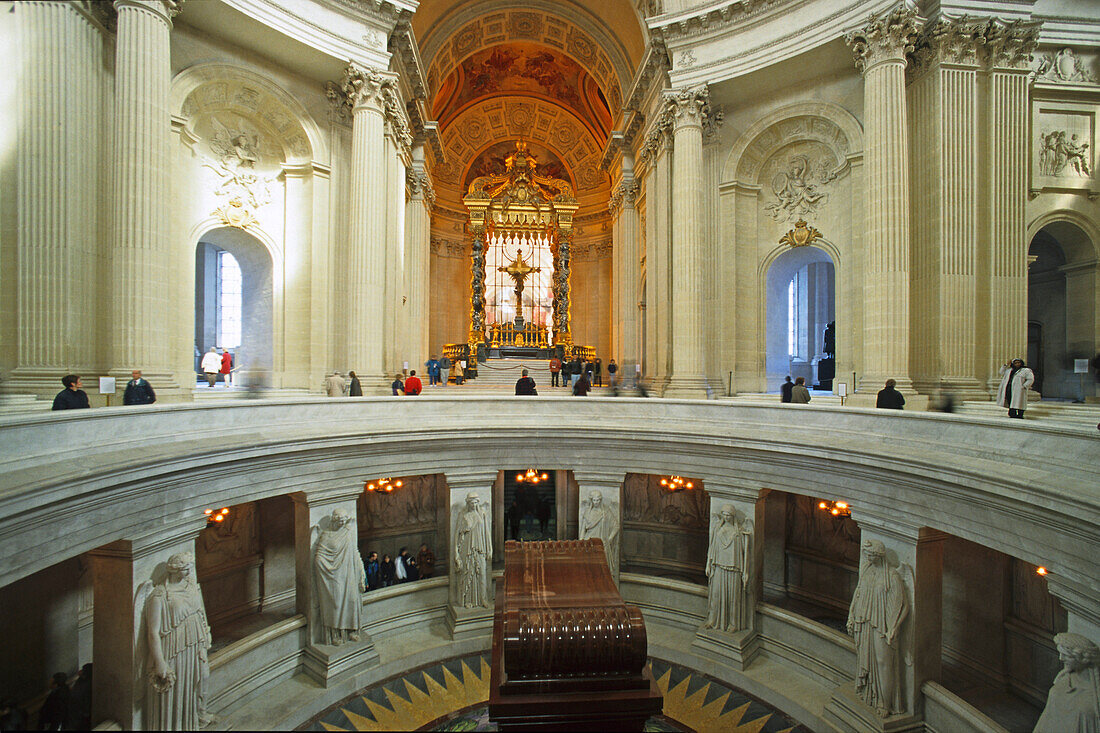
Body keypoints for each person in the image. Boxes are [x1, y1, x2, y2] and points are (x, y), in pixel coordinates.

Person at [143, 552, 214, 729]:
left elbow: (200, 611)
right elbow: (152, 632)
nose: (190, 572)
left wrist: (205, 634)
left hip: (195, 643)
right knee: (176, 690)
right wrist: (159, 662)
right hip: (174, 649)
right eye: (186, 568)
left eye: (191, 567)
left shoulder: (190, 586)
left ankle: (195, 718)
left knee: (200, 678)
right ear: (175, 570)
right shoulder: (159, 596)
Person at [847, 540, 909, 717]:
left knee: (883, 662)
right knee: (864, 656)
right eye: (866, 555)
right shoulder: (867, 570)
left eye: (870, 555)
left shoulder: (892, 576)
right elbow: (857, 593)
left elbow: (904, 606)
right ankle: (870, 692)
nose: (867, 558)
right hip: (863, 620)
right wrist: (851, 614)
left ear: (879, 555)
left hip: (882, 624)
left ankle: (885, 702)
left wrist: (895, 628)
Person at [312, 508, 365, 645]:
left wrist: (361, 572)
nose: (341, 524)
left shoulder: (348, 534)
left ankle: (352, 631)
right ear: (334, 520)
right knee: (335, 604)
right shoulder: (326, 536)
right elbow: (318, 557)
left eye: (344, 521)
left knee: (352, 601)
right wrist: (328, 569)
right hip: (333, 577)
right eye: (339, 521)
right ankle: (335, 634)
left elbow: (355, 552)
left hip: (349, 574)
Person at [1034, 632, 1100, 733]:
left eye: (1067, 656)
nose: (1061, 658)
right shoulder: (1064, 679)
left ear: (1082, 659)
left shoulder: (1093, 698)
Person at [454, 493, 492, 608]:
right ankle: (468, 600)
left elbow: (487, 532)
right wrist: (456, 553)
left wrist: (490, 548)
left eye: (475, 502)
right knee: (468, 572)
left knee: (482, 574)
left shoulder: (482, 514)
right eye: (471, 503)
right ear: (468, 503)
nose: (473, 505)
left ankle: (483, 599)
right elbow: (457, 534)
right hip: (467, 548)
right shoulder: (463, 515)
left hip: (480, 547)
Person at [66, 663, 92, 730]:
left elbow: (86, 700)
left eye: (83, 670)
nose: (80, 671)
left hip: (79, 714)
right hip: (74, 711)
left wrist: (85, 713)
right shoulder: (81, 680)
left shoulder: (87, 685)